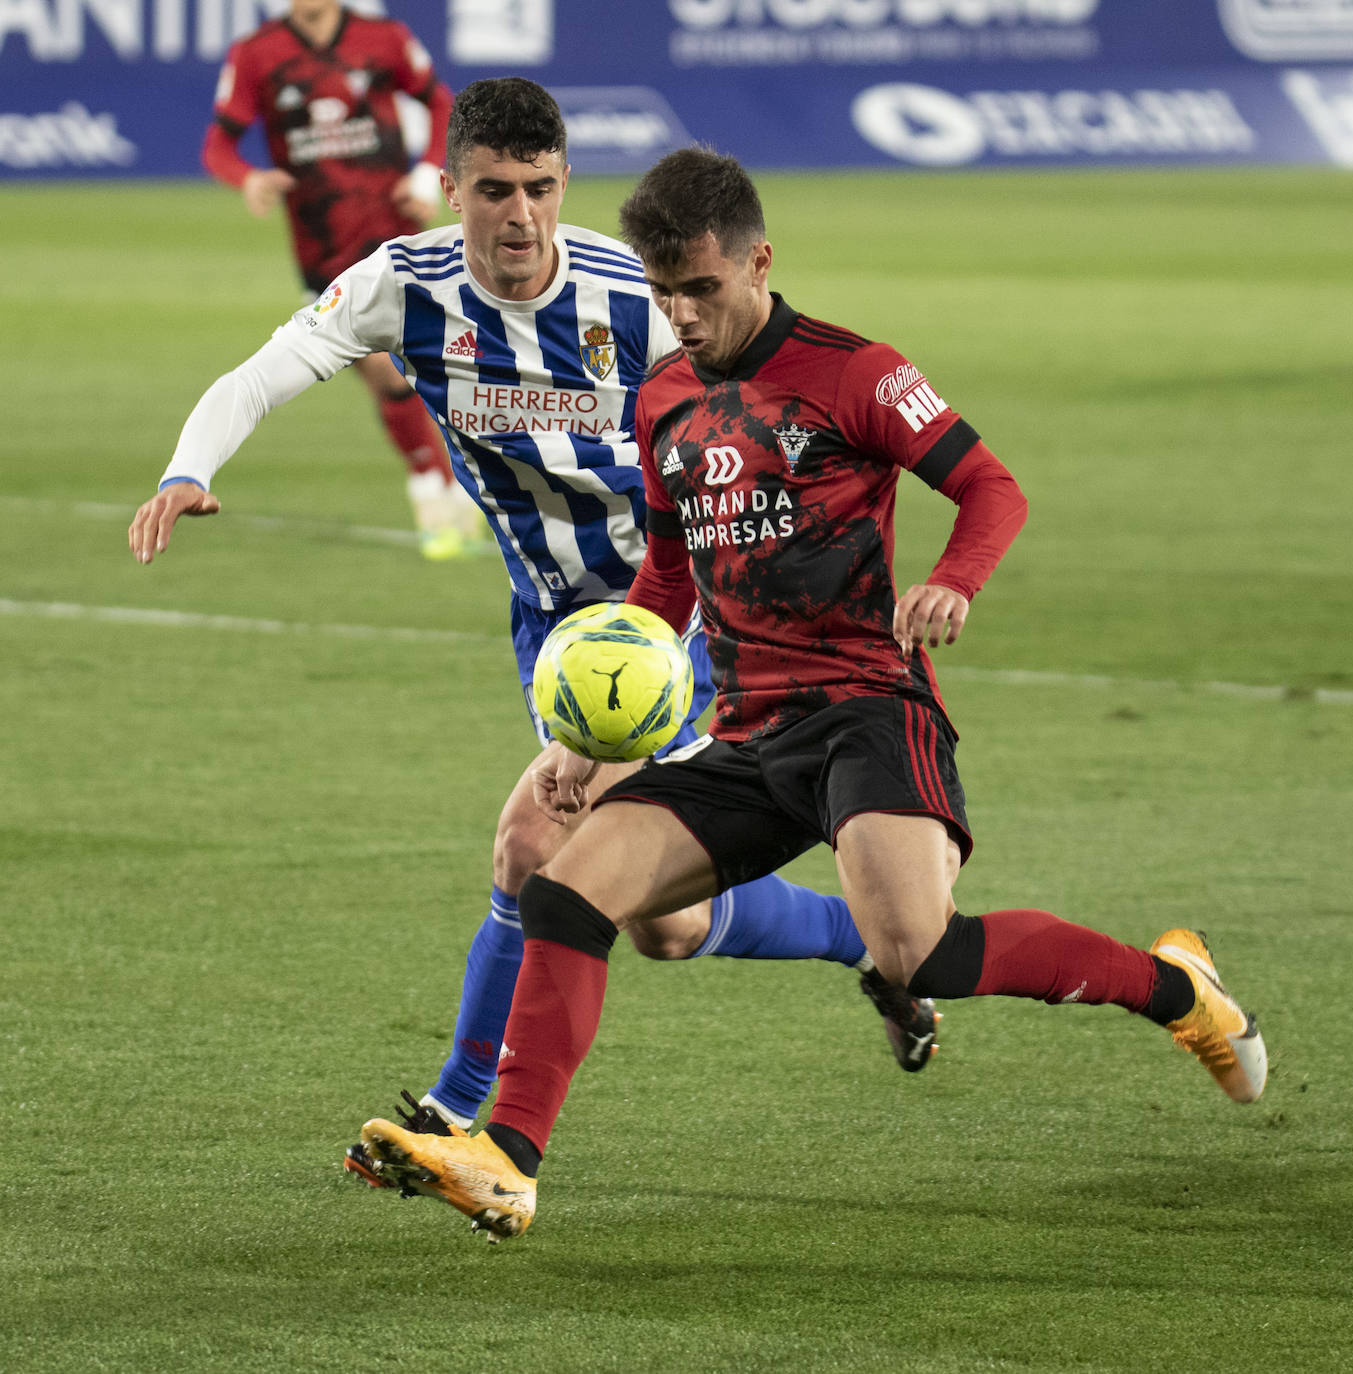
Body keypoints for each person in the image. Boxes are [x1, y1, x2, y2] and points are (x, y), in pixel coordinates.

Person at [356, 147, 1269, 1244]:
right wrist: (590, 733)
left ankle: (1174, 989)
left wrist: (951, 579)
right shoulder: (661, 402)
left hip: (864, 709)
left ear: (756, 263)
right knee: (567, 882)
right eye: (663, 294)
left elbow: (989, 486)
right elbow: (664, 576)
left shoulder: (855, 372)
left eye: (701, 289)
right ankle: (504, 1160)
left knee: (916, 955)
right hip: (743, 727)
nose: (682, 316)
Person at [128, 81, 936, 1170]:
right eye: (496, 191)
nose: (522, 217)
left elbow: (765, 387)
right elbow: (263, 373)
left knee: (530, 843)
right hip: (551, 624)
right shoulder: (400, 287)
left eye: (543, 189)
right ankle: (880, 950)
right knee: (667, 924)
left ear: (564, 186)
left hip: (681, 607)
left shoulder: (629, 291)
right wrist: (187, 470)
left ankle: (458, 1113)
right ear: (448, 188)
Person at [203, 0, 480, 559]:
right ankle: (431, 488)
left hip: (399, 233)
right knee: (382, 371)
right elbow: (219, 144)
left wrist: (428, 173)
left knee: (444, 363)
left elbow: (441, 102)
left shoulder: (384, 38)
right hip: (323, 245)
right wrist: (248, 178)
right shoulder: (258, 55)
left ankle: (460, 487)